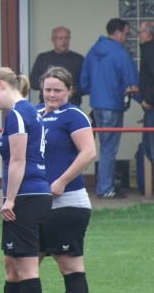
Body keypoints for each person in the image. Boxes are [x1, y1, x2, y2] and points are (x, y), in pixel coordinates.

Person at [0, 67, 51, 293]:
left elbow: (19, 160)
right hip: (32, 193)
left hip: (27, 195)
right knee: (11, 267)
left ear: (2, 84)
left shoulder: (18, 114)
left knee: (26, 267)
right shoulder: (28, 111)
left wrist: (10, 199)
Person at [36, 67, 95, 293]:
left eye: (57, 90)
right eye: (47, 89)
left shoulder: (74, 115)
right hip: (36, 204)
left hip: (67, 203)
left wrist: (61, 181)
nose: (51, 95)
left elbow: (89, 152)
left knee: (69, 267)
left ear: (70, 90)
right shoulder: (36, 114)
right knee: (22, 265)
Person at [80, 18, 140, 198]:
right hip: (113, 106)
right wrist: (143, 101)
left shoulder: (93, 51)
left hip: (97, 107)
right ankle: (105, 189)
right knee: (109, 149)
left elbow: (84, 83)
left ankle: (104, 186)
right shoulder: (120, 54)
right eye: (127, 34)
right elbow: (133, 83)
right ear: (118, 33)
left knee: (105, 147)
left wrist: (97, 95)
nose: (127, 38)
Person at [29, 27, 85, 106]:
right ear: (53, 40)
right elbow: (33, 81)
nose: (64, 41)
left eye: (67, 38)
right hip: (47, 106)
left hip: (71, 104)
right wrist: (47, 86)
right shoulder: (43, 58)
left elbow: (85, 84)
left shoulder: (79, 59)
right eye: (61, 38)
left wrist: (68, 91)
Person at [137, 22, 154, 170]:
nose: (138, 35)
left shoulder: (150, 51)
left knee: (151, 148)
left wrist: (148, 99)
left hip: (151, 107)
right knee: (148, 147)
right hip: (149, 107)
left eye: (140, 32)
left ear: (147, 34)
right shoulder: (147, 51)